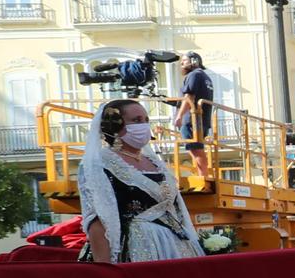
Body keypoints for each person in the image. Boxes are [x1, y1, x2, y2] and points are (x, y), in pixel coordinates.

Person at [78, 98, 206, 264]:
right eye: (136, 120)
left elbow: (176, 210)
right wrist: (105, 267)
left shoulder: (155, 162)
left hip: (174, 246)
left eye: (146, 120)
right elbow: (97, 219)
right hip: (134, 247)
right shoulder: (99, 164)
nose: (144, 125)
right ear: (114, 125)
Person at [169, 53, 214, 176]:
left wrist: (179, 116)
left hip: (191, 120)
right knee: (196, 149)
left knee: (195, 149)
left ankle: (202, 176)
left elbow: (189, 97)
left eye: (184, 60)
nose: (182, 63)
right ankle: (203, 174)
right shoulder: (205, 77)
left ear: (194, 61)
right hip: (202, 120)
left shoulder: (194, 75)